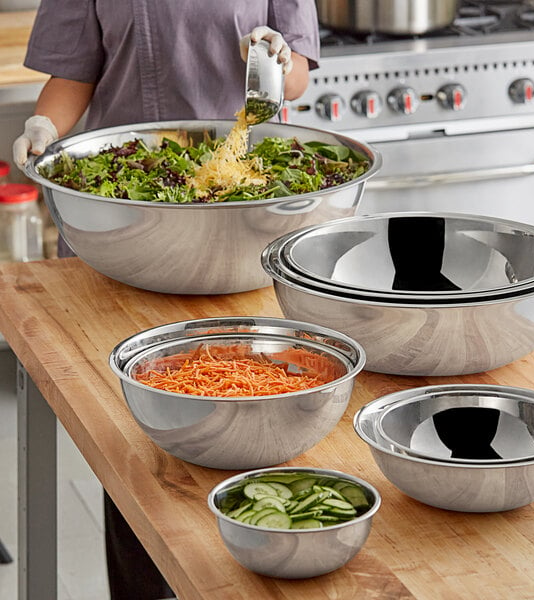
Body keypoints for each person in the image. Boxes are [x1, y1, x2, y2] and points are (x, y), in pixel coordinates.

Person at [13, 2, 320, 599]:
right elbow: (74, 73)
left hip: (245, 214)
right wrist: (44, 127)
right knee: (141, 444)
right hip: (131, 227)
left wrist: (276, 59)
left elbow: (299, 70)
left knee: (253, 410)